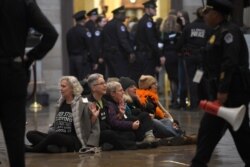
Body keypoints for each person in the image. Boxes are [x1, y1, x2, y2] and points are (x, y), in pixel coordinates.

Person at [191, 0, 250, 166]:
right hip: (220, 91)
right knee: (209, 130)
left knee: (240, 132)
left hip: (233, 91)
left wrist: (223, 90)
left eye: (208, 12)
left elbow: (229, 63)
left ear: (216, 14)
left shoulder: (229, 32)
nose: (205, 15)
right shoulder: (217, 32)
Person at [0, 0, 58, 166]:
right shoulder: (23, 2)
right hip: (12, 73)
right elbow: (51, 33)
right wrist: (31, 56)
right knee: (15, 137)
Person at [26, 76, 100, 153]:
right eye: (60, 86)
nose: (61, 89)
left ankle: (33, 149)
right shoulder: (60, 103)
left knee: (54, 136)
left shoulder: (84, 104)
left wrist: (91, 144)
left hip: (74, 139)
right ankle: (55, 148)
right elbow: (56, 124)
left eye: (63, 86)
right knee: (31, 134)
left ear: (72, 88)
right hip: (58, 136)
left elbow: (94, 127)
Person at [87, 73, 138, 150]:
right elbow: (83, 126)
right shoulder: (86, 102)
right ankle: (135, 146)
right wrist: (93, 118)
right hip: (96, 134)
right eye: (101, 83)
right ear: (93, 88)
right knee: (110, 134)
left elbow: (111, 121)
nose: (105, 85)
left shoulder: (105, 102)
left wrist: (120, 115)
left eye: (104, 83)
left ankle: (110, 145)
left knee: (129, 134)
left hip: (108, 129)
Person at [176, 6, 212, 110]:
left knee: (192, 81)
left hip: (190, 57)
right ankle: (206, 103)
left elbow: (179, 44)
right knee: (204, 80)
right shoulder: (208, 28)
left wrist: (180, 51)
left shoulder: (189, 27)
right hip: (202, 57)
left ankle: (193, 105)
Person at [131, 0, 165, 83]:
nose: (155, 10)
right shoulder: (147, 22)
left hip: (144, 55)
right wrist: (160, 55)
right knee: (147, 81)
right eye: (153, 8)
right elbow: (152, 40)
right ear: (147, 9)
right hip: (146, 56)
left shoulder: (146, 20)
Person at [102, 6, 135, 78]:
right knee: (122, 76)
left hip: (109, 55)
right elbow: (123, 40)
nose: (125, 16)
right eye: (123, 14)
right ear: (117, 15)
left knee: (112, 76)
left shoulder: (107, 25)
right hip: (119, 55)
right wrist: (130, 51)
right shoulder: (119, 25)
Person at [66, 10, 97, 80]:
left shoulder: (70, 32)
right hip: (82, 60)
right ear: (84, 20)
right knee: (83, 80)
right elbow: (90, 46)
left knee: (74, 81)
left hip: (72, 59)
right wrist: (94, 61)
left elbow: (68, 47)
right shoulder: (85, 31)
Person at [160, 14, 182, 109]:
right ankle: (177, 99)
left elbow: (161, 46)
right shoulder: (178, 33)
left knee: (172, 79)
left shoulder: (164, 34)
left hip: (167, 56)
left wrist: (161, 56)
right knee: (178, 79)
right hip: (176, 56)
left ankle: (174, 99)